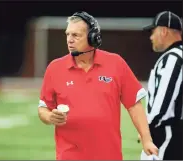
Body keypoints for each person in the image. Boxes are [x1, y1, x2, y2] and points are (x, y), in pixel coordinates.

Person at [38, 11, 158, 160]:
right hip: (69, 155)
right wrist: (50, 117)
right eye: (67, 34)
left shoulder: (116, 63)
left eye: (76, 35)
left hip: (108, 155)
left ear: (93, 38)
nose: (69, 40)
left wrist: (147, 139)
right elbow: (43, 108)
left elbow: (134, 104)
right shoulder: (55, 68)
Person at [140, 11, 183, 160]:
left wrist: (147, 131)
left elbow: (164, 101)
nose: (151, 37)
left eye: (153, 32)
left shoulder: (173, 58)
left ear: (164, 31)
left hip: (166, 134)